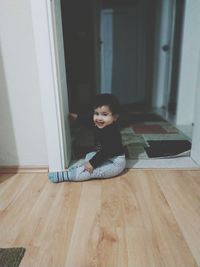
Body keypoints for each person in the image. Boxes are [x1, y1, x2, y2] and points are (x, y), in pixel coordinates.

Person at [48, 93, 126, 182]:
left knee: (91, 171)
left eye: (104, 114)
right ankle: (80, 168)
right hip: (105, 157)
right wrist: (77, 118)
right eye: (96, 113)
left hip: (115, 163)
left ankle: (68, 175)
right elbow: (88, 120)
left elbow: (105, 151)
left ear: (115, 117)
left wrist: (92, 164)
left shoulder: (112, 133)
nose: (99, 118)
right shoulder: (100, 123)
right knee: (89, 155)